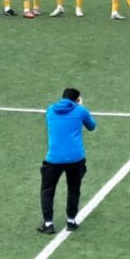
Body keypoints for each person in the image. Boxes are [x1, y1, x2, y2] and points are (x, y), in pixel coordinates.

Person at [37, 88, 95, 235]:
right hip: (75, 159)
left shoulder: (50, 111)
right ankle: (71, 221)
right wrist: (80, 107)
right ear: (77, 100)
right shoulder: (80, 111)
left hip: (53, 158)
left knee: (47, 191)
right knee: (74, 189)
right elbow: (92, 126)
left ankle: (48, 223)